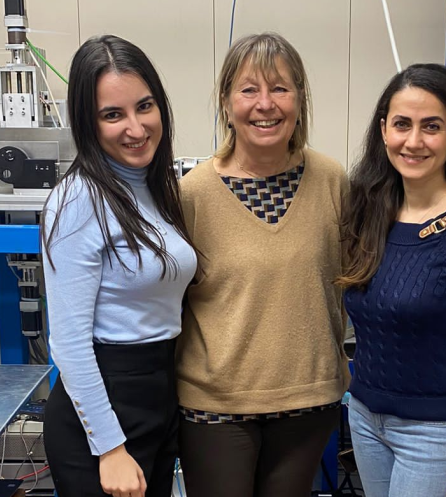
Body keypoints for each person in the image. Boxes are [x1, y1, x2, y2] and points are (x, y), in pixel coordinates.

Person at [176, 32, 350, 497]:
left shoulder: (332, 180)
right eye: (249, 89)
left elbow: (352, 278)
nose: (265, 104)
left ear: (300, 99)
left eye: (280, 88)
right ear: (227, 102)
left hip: (308, 399)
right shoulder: (193, 193)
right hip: (215, 405)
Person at [338, 63, 446, 497]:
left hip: (436, 434)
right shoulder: (369, 210)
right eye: (402, 124)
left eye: (431, 126)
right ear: (384, 130)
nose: (413, 141)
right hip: (364, 417)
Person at [41, 35, 197, 497]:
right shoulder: (77, 200)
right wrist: (109, 448)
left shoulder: (157, 186)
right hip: (106, 408)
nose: (135, 127)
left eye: (144, 106)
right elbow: (68, 343)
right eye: (113, 115)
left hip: (159, 393)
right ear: (88, 125)